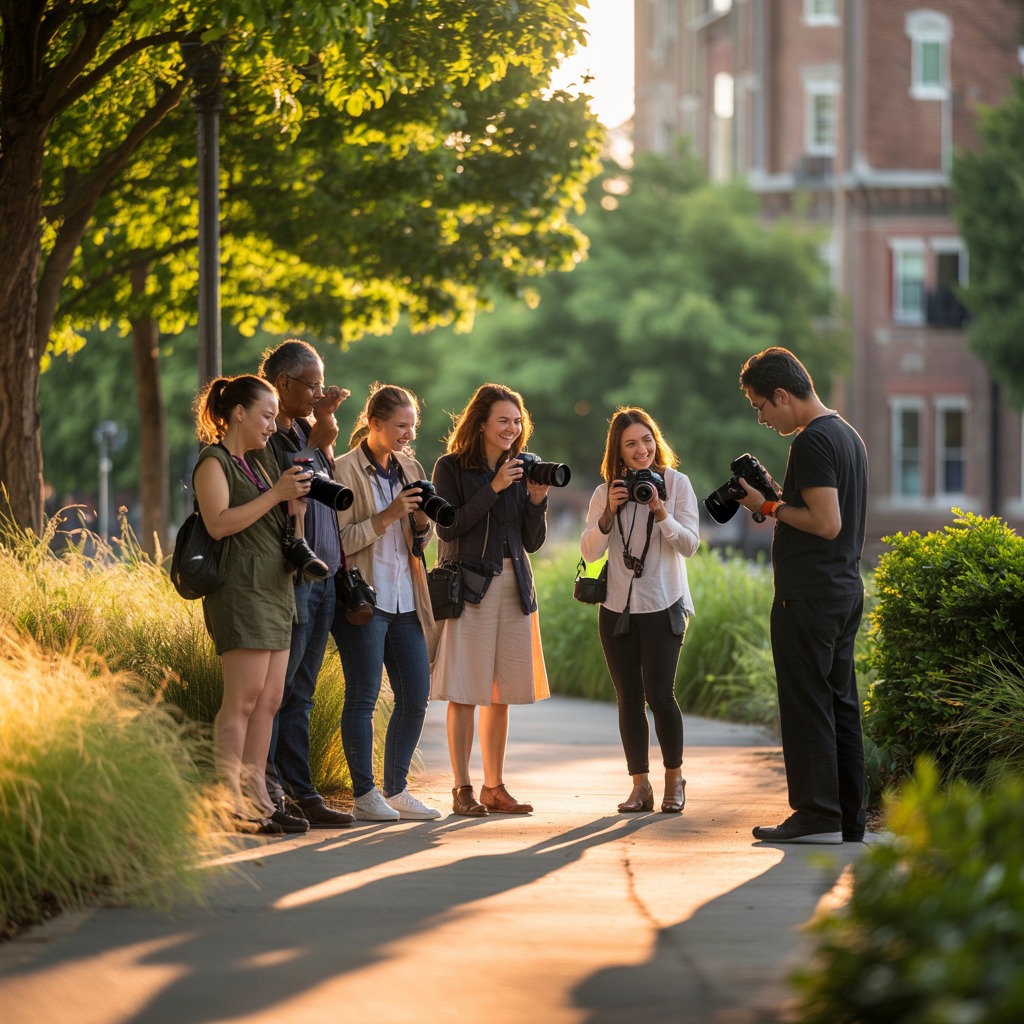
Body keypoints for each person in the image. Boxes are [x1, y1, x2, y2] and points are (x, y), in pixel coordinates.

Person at [736, 346, 868, 845]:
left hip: (809, 596)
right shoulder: (847, 435)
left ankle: (815, 811)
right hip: (842, 590)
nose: (762, 417)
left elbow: (826, 523)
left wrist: (768, 504)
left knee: (806, 705)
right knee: (841, 705)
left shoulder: (812, 442)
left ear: (783, 394)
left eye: (761, 405)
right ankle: (849, 817)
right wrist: (778, 500)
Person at [191, 374, 313, 835]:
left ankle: (257, 795)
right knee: (240, 701)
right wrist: (275, 495)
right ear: (238, 412)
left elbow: (273, 522)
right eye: (265, 414)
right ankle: (227, 801)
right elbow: (219, 523)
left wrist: (293, 511)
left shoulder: (257, 465)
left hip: (276, 588)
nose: (271, 424)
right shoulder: (214, 461)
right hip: (241, 591)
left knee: (270, 700)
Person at [430, 383, 551, 817]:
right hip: (471, 587)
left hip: (514, 584)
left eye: (517, 422)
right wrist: (495, 486)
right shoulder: (451, 467)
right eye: (503, 420)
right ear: (480, 423)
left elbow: (532, 542)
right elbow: (448, 528)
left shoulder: (524, 468)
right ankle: (461, 787)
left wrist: (536, 500)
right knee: (465, 691)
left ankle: (493, 787)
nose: (512, 429)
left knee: (499, 694)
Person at [580, 408, 700, 814]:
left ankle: (674, 779)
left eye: (647, 440)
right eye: (631, 443)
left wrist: (661, 512)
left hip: (664, 604)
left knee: (660, 695)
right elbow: (590, 551)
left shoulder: (676, 484)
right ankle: (640, 786)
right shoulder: (605, 493)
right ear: (618, 450)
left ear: (656, 441)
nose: (641, 449)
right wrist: (609, 514)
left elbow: (690, 545)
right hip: (617, 607)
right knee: (628, 699)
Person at [331, 383, 442, 821]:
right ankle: (364, 794)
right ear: (374, 424)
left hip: (406, 598)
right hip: (364, 597)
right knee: (362, 696)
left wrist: (419, 522)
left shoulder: (410, 466)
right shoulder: (342, 471)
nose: (408, 435)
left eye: (413, 426)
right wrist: (388, 515)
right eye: (401, 426)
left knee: (416, 696)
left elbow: (420, 541)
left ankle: (396, 790)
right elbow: (338, 541)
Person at [256, 339, 356, 829]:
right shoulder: (267, 432)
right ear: (282, 384)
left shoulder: (303, 428)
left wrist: (323, 437)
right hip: (292, 578)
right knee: (276, 691)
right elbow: (285, 485)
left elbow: (324, 491)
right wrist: (318, 440)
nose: (318, 392)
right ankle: (268, 792)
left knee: (302, 691)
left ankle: (302, 792)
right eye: (311, 385)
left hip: (324, 577)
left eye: (322, 383)